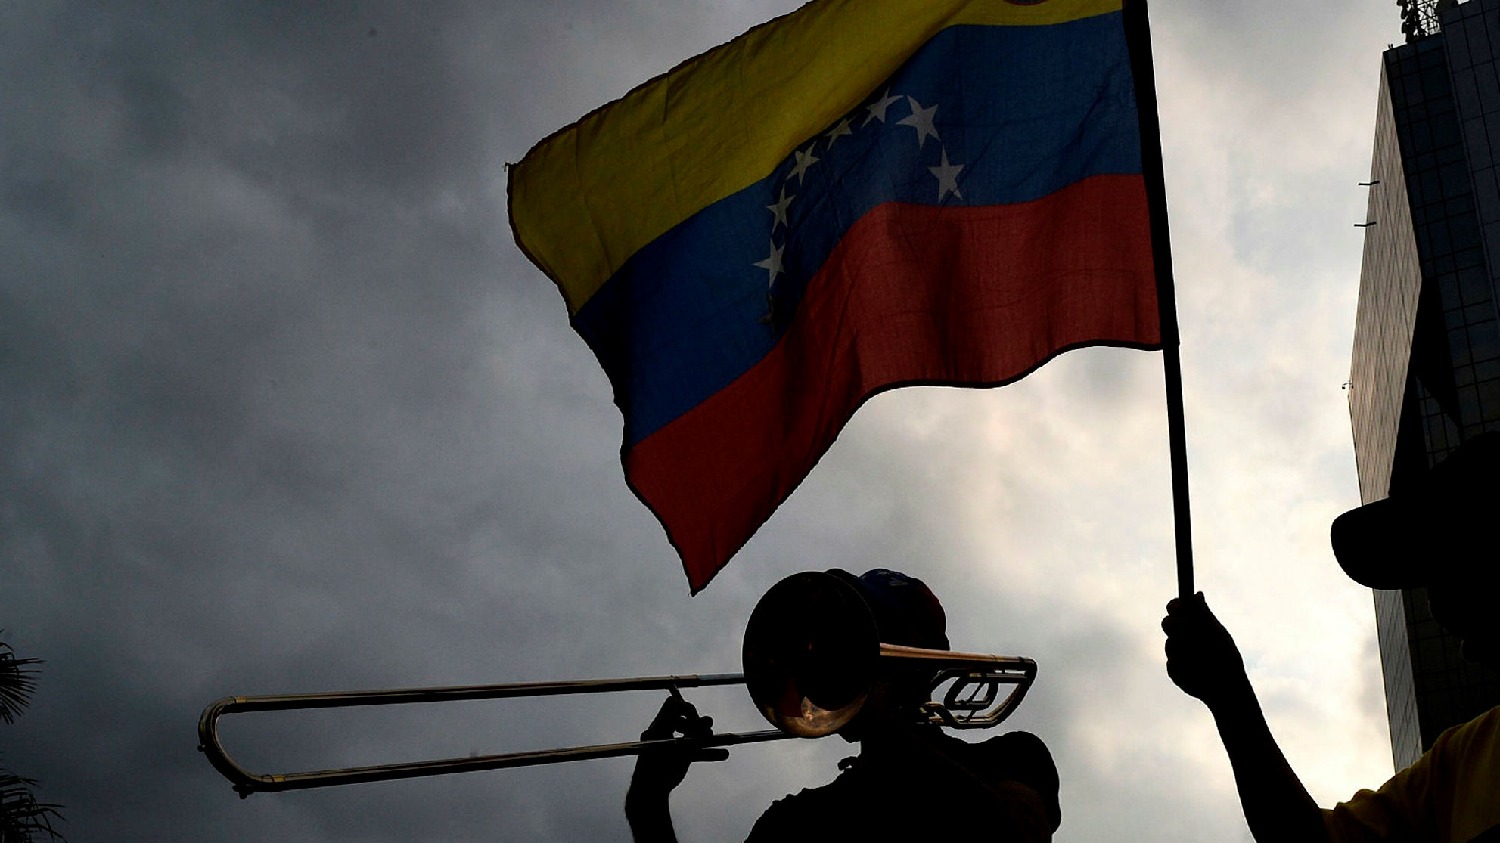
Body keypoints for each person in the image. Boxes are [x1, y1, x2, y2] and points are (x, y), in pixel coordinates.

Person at [1162, 433, 1500, 843]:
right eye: (1428, 578)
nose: (1436, 606)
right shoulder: (1462, 762)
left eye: (1452, 564)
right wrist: (1229, 693)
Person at [626, 568, 1062, 842]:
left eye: (854, 639)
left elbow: (1012, 837)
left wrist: (884, 728)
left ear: (919, 661)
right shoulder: (796, 822)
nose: (831, 659)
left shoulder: (1012, 757)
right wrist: (647, 803)